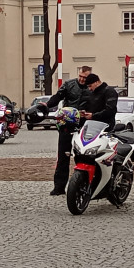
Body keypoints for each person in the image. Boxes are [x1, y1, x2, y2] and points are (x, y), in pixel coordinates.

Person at [42, 66, 91, 195]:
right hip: (67, 125)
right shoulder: (69, 85)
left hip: (84, 126)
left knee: (82, 156)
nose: (81, 79)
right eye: (80, 76)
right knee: (63, 156)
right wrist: (47, 105)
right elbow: (57, 97)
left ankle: (80, 185)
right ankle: (59, 187)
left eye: (84, 77)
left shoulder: (91, 88)